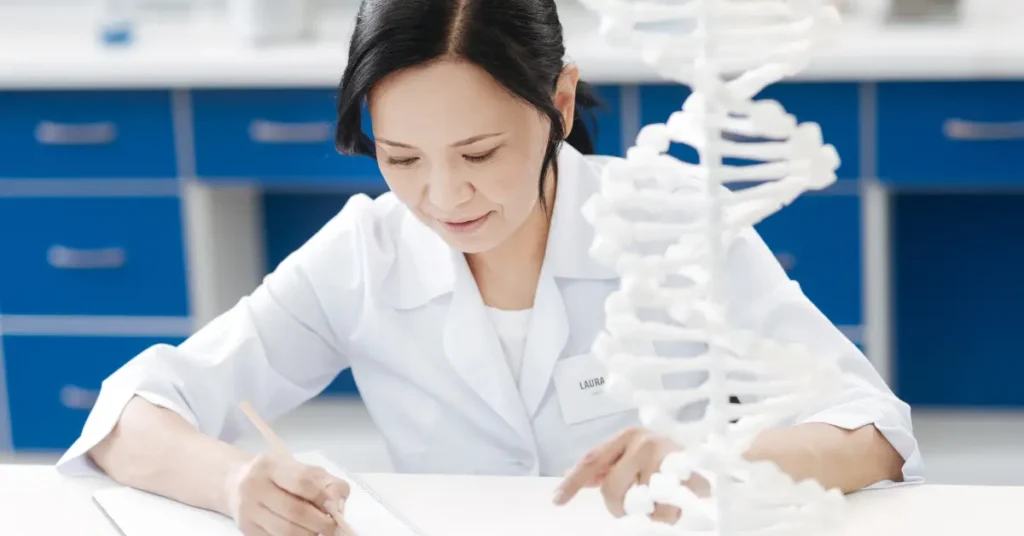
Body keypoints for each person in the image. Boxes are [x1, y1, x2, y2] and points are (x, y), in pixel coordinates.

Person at [56, 0, 922, 534]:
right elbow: (129, 414)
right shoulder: (366, 252)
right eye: (401, 157)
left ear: (559, 99)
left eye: (479, 152)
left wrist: (716, 457)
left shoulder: (667, 223)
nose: (442, 197)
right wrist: (239, 482)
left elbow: (875, 432)